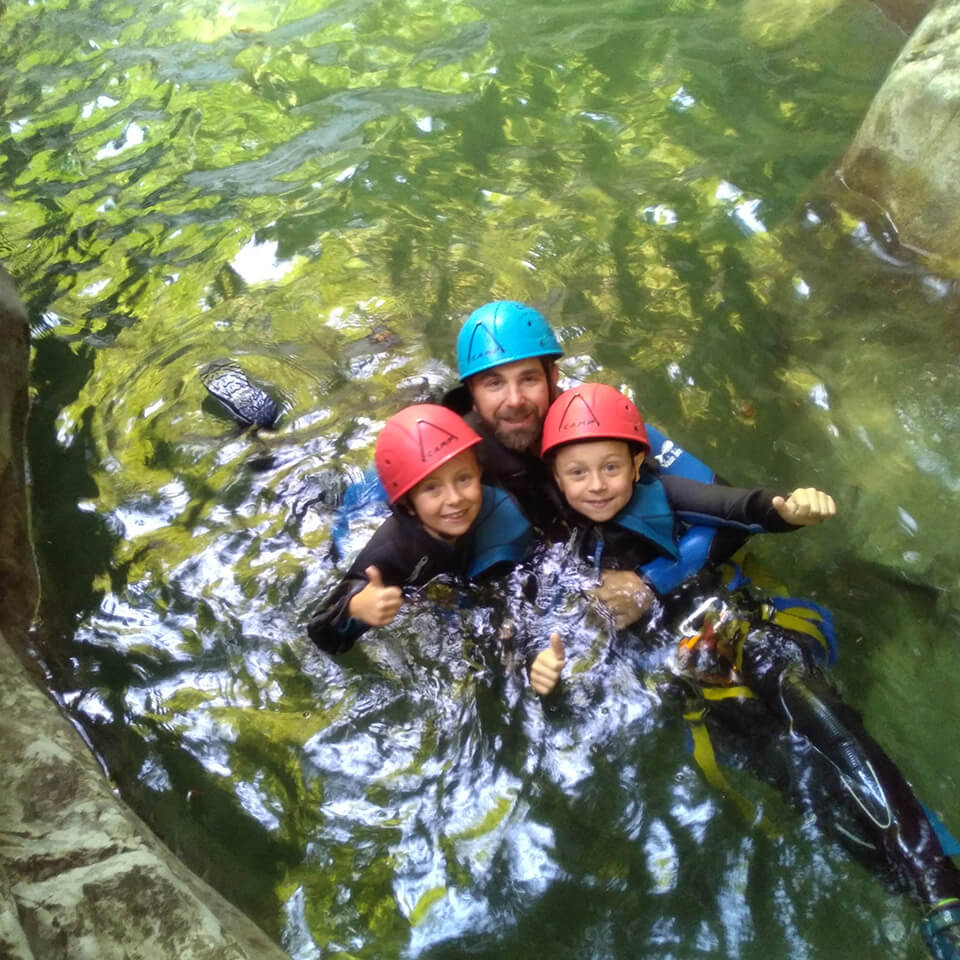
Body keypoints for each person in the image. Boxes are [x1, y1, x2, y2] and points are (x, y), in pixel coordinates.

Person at [529, 381, 960, 960]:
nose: (597, 485)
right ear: (557, 478)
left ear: (637, 464)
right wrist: (545, 667)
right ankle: (922, 899)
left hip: (734, 624)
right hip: (683, 670)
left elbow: (736, 507)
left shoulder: (664, 492)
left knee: (813, 706)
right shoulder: (559, 546)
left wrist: (785, 509)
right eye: (577, 473)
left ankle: (940, 887)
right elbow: (545, 625)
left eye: (611, 467)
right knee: (793, 773)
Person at [445, 300, 656, 628]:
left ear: (553, 376)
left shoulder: (598, 420)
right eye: (494, 383)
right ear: (472, 391)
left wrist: (651, 584)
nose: (514, 400)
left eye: (528, 379)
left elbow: (717, 493)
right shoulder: (448, 451)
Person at [307, 404, 534, 654]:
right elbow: (319, 630)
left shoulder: (504, 513)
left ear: (478, 473)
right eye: (432, 488)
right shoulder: (391, 549)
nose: (455, 498)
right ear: (408, 504)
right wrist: (355, 608)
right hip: (365, 521)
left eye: (463, 479)